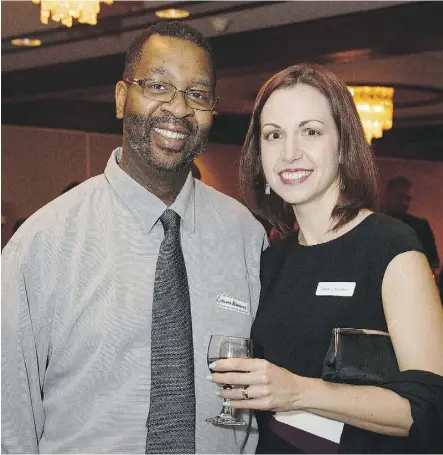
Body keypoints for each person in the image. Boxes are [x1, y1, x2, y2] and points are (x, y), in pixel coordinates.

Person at [1, 21, 267, 454]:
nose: (179, 109)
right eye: (159, 85)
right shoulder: (42, 245)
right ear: (123, 97)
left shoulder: (246, 238)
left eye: (197, 94)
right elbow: (8, 420)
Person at [208, 63, 443, 453]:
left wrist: (298, 392)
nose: (289, 153)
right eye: (274, 135)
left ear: (343, 146)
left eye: (311, 132)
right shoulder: (272, 261)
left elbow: (429, 407)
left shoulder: (390, 245)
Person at [382, 176, 440, 270]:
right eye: (400, 197)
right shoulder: (372, 223)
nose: (405, 203)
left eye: (408, 199)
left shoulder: (421, 227)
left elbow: (433, 263)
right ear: (388, 195)